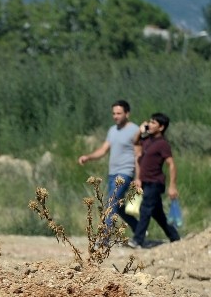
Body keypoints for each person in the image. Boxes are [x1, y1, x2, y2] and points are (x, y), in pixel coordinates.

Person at [77, 99, 139, 236]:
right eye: (113, 113)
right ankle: (139, 228)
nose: (116, 116)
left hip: (125, 172)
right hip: (112, 173)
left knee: (111, 203)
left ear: (127, 114)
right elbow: (104, 149)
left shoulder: (135, 130)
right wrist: (88, 157)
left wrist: (138, 177)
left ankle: (104, 237)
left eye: (119, 113)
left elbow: (138, 154)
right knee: (118, 206)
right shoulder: (112, 130)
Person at [128, 112, 180, 249]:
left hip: (155, 182)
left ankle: (137, 239)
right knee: (158, 214)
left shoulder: (163, 144)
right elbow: (135, 143)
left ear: (161, 127)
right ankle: (175, 237)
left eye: (153, 123)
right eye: (149, 122)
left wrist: (172, 186)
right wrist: (140, 131)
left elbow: (171, 164)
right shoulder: (147, 140)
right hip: (145, 181)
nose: (149, 124)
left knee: (145, 209)